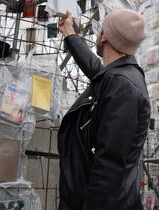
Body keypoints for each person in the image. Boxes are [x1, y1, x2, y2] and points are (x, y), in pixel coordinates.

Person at [57, 9, 150, 210]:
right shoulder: (116, 77)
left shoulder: (123, 86)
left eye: (101, 29)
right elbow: (95, 69)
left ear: (105, 36)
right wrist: (69, 33)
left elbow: (110, 163)